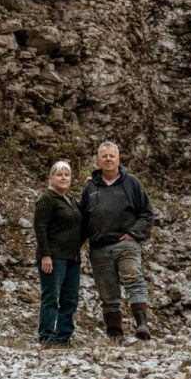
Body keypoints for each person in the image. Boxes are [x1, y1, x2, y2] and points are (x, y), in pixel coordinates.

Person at [80, 141, 154, 341]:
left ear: (118, 159)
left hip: (126, 244)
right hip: (99, 248)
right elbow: (82, 219)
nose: (108, 159)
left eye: (112, 156)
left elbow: (147, 213)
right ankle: (115, 335)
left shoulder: (132, 183)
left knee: (133, 279)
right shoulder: (90, 187)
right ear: (98, 160)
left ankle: (142, 326)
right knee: (107, 292)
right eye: (104, 156)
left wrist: (134, 234)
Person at [33, 160, 83, 346]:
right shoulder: (47, 199)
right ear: (52, 177)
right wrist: (46, 255)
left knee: (70, 300)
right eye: (59, 174)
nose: (63, 178)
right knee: (51, 298)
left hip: (73, 258)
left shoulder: (70, 200)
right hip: (54, 258)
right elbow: (40, 227)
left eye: (67, 174)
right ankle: (46, 337)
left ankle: (63, 338)